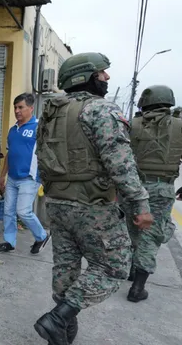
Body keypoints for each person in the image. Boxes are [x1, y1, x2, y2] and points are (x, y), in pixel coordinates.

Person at [34, 52, 153, 345]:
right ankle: (59, 318)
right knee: (114, 267)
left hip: (58, 204)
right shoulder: (100, 110)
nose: (107, 77)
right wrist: (140, 204)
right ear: (85, 76)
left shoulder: (50, 113)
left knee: (66, 267)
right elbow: (120, 163)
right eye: (102, 72)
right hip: (92, 206)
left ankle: (60, 334)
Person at [122, 85, 180, 302]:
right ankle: (138, 288)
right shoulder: (179, 126)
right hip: (162, 189)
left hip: (133, 187)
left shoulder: (133, 125)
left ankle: (129, 271)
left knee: (131, 229)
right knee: (152, 234)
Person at [0, 93, 50, 254]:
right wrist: (2, 175)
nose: (17, 111)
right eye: (15, 107)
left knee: (23, 211)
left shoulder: (39, 128)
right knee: (8, 212)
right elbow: (9, 154)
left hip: (29, 178)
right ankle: (9, 242)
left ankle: (42, 235)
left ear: (31, 108)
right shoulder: (13, 130)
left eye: (21, 107)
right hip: (12, 178)